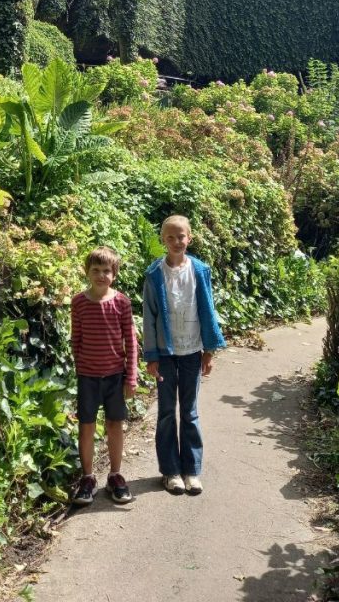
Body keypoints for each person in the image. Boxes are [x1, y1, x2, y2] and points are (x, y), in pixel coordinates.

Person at [142, 215, 226, 495]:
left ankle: (192, 470)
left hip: (192, 351)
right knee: (167, 412)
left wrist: (209, 350)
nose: (176, 241)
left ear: (190, 237)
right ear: (163, 240)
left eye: (181, 236)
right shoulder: (154, 275)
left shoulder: (200, 270)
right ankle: (170, 471)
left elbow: (208, 309)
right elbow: (150, 317)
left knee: (189, 412)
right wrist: (152, 356)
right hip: (166, 354)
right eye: (170, 237)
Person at [70, 246, 138, 506]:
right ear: (87, 272)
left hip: (114, 376)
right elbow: (76, 339)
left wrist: (131, 376)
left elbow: (130, 341)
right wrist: (81, 366)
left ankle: (115, 475)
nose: (101, 275)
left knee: (114, 425)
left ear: (115, 274)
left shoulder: (121, 302)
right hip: (87, 377)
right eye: (95, 270)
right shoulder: (78, 302)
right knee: (86, 426)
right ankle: (88, 478)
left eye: (106, 270)